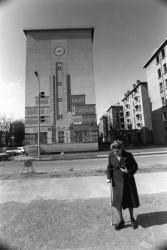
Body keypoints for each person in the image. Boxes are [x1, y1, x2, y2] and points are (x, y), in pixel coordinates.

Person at [106, 139, 140, 230]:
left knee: (129, 201)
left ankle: (132, 219)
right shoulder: (111, 155)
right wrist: (108, 177)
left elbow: (135, 167)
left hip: (127, 181)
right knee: (118, 202)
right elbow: (109, 167)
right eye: (114, 150)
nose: (116, 152)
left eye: (117, 150)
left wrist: (128, 171)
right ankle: (121, 221)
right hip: (116, 182)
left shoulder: (128, 155)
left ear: (121, 148)